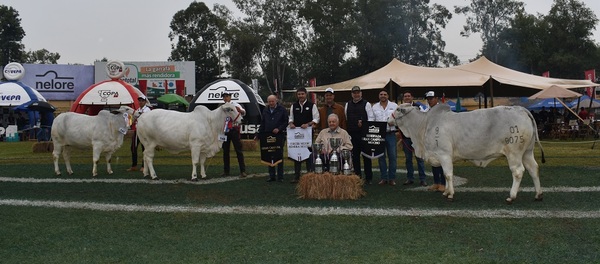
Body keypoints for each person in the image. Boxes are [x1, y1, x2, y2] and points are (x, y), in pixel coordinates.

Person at [288, 87, 319, 183]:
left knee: (308, 154)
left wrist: (308, 124)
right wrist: (291, 123)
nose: (300, 96)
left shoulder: (312, 105)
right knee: (297, 154)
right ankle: (297, 176)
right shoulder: (294, 105)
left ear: (306, 94)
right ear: (297, 95)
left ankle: (310, 175)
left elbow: (316, 118)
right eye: (299, 94)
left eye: (302, 94)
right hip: (296, 135)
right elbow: (290, 118)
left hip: (308, 134)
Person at [345, 85, 375, 184]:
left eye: (358, 92)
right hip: (352, 134)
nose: (356, 94)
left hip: (364, 134)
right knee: (355, 157)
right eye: (354, 93)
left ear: (361, 93)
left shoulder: (367, 104)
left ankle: (369, 178)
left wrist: (364, 123)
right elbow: (346, 118)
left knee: (366, 156)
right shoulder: (347, 104)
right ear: (352, 94)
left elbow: (371, 118)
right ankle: (357, 177)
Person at [257, 94, 289, 182]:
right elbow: (262, 123)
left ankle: (280, 176)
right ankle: (271, 176)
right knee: (269, 154)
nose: (271, 103)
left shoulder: (282, 109)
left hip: (279, 136)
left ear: (276, 101)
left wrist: (279, 129)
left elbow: (286, 122)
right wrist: (258, 134)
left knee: (279, 155)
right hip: (267, 135)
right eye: (269, 101)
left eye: (272, 101)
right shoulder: (265, 110)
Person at [399, 90, 427, 186]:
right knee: (408, 159)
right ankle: (410, 178)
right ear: (403, 98)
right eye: (405, 96)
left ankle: (422, 179)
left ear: (412, 97)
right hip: (406, 137)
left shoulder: (418, 107)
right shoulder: (400, 109)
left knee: (419, 158)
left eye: (408, 96)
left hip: (417, 137)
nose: (407, 97)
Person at [372, 89, 398, 186]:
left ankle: (392, 178)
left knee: (393, 157)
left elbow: (399, 119)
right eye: (381, 94)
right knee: (381, 157)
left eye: (385, 94)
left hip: (391, 133)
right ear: (379, 96)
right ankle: (384, 178)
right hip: (379, 135)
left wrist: (394, 123)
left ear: (388, 96)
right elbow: (372, 120)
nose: (383, 96)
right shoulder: (374, 107)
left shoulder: (394, 106)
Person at [221, 91, 247, 178]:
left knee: (238, 150)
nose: (225, 98)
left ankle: (242, 171)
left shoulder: (235, 104)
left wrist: (240, 110)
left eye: (227, 96)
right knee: (225, 151)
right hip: (225, 130)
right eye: (224, 97)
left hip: (234, 129)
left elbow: (243, 112)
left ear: (230, 97)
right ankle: (226, 171)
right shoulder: (222, 107)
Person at [423, 91, 445, 192]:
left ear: (436, 98)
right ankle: (436, 182)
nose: (429, 100)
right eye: (428, 99)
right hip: (431, 138)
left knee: (442, 161)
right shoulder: (426, 110)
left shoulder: (442, 109)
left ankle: (443, 183)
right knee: (433, 161)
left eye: (431, 98)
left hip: (442, 138)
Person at [127, 96, 151, 172]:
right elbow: (133, 120)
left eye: (142, 101)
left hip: (144, 131)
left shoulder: (147, 110)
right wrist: (131, 119)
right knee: (133, 147)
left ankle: (144, 166)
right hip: (137, 131)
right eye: (139, 100)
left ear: (145, 102)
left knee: (144, 148)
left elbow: (146, 119)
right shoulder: (137, 110)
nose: (140, 102)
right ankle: (134, 165)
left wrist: (137, 115)